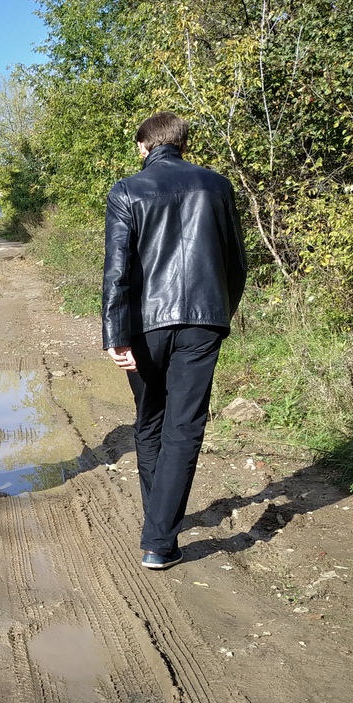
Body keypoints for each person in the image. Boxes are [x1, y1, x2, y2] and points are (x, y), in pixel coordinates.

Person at [102, 111, 248, 570]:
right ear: (182, 143)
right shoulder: (218, 186)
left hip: (144, 325)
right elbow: (236, 262)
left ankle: (159, 534)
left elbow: (117, 271)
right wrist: (219, 314)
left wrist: (115, 334)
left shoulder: (127, 190)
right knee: (184, 426)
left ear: (144, 146)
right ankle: (159, 535)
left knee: (149, 421)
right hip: (204, 321)